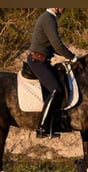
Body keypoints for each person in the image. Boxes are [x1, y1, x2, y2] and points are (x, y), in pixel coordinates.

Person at [27, 8, 78, 138]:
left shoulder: (49, 18)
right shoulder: (48, 18)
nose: (64, 8)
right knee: (56, 90)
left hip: (45, 60)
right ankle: (42, 128)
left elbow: (50, 45)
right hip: (38, 61)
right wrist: (72, 57)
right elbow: (57, 43)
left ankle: (57, 122)